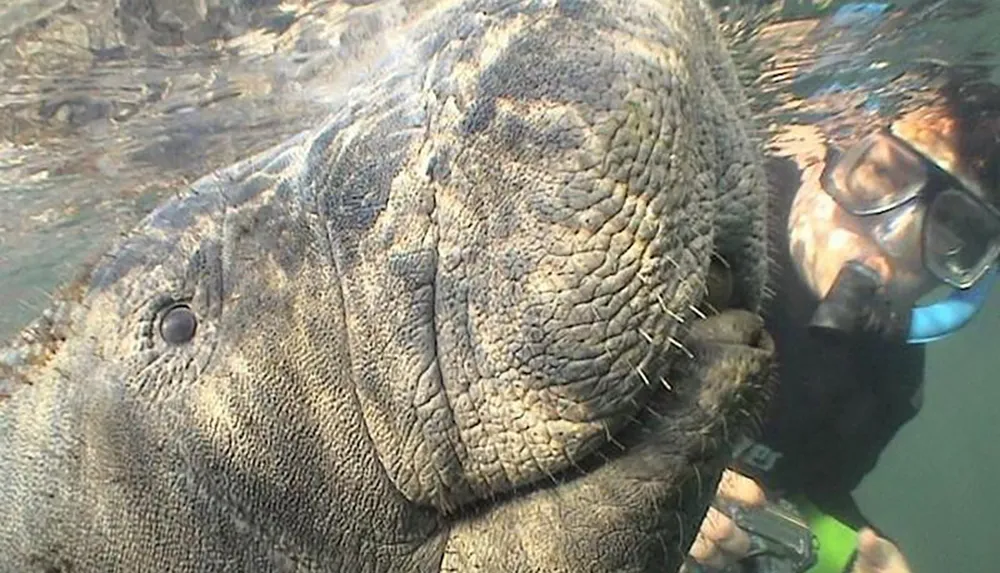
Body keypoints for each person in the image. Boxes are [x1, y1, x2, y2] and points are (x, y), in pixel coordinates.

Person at [683, 57, 1000, 573]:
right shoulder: (705, 208)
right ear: (826, 148)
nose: (895, 237)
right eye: (880, 173)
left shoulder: (889, 382)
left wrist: (852, 555)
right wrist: (649, 489)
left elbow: (806, 488)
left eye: (953, 232)